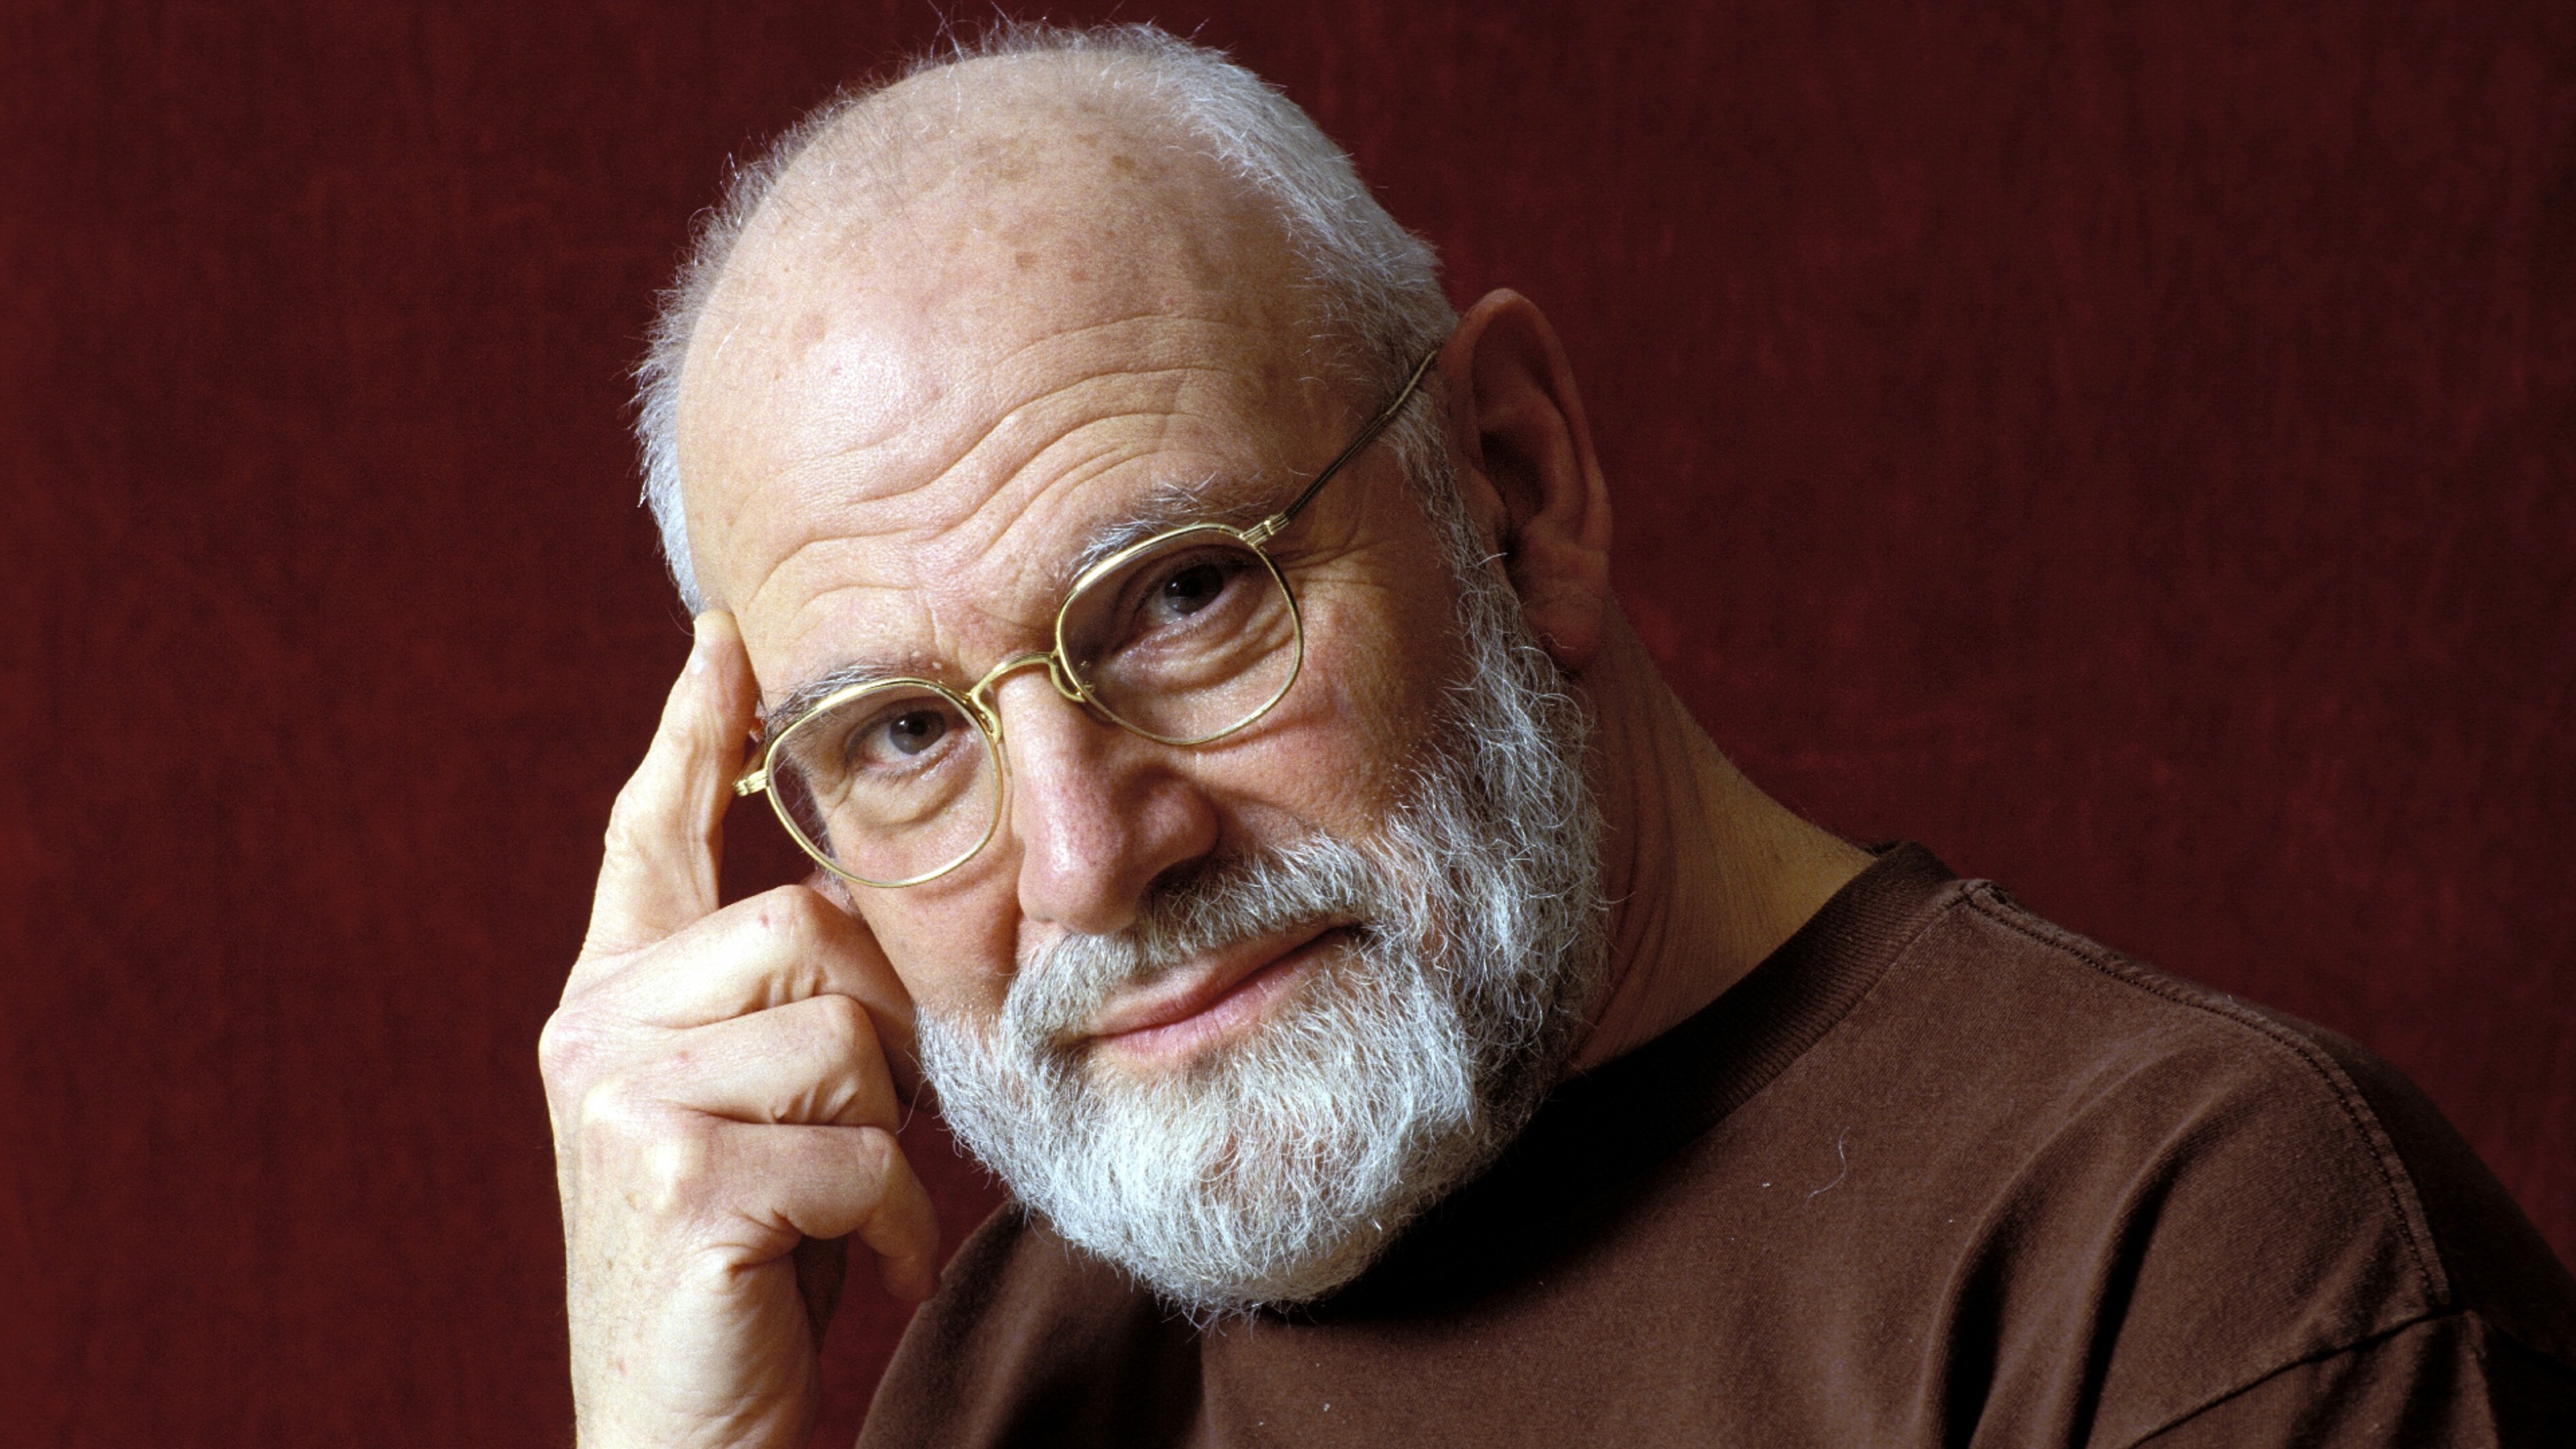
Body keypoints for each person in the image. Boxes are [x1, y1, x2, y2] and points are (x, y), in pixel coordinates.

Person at [538, 23, 2576, 1447]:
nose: (1084, 858)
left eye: (1183, 594)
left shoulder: (2199, 1270)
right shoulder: (1009, 1376)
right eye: (904, 734)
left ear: (1511, 487)